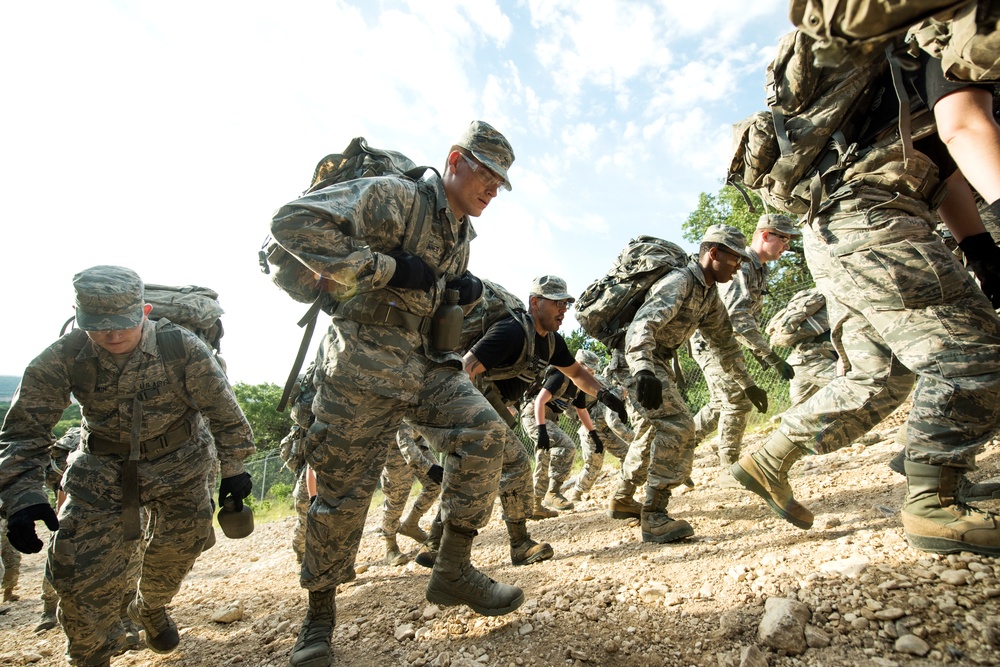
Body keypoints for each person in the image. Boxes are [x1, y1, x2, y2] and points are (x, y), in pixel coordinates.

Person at [731, 38, 1000, 557]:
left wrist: (979, 247)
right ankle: (933, 501)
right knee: (973, 351)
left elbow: (942, 166)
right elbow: (964, 127)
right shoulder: (963, 31)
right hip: (874, 218)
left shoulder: (916, 54)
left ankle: (770, 458)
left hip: (840, 223)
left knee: (877, 375)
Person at [271, 121, 525, 667]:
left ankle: (452, 568)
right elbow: (292, 222)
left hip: (424, 362)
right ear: (456, 160)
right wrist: (384, 268)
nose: (492, 189)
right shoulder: (397, 197)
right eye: (486, 174)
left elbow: (429, 296)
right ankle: (318, 621)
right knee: (342, 493)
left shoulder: (462, 233)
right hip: (361, 360)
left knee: (484, 432)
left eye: (500, 184)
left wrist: (457, 293)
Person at [0, 265, 255, 667]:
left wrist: (233, 469)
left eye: (121, 324)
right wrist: (23, 496)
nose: (112, 335)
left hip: (181, 462)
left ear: (145, 311)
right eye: (98, 327)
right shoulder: (63, 357)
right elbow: (23, 432)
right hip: (101, 467)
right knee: (75, 572)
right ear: (77, 315)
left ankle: (150, 606)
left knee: (179, 548)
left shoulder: (182, 347)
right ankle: (89, 657)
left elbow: (224, 413)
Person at [607, 225, 769, 543]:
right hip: (636, 362)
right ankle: (654, 516)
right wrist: (641, 372)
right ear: (713, 254)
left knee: (650, 432)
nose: (739, 266)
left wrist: (748, 384)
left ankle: (623, 498)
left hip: (655, 364)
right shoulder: (679, 281)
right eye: (734, 259)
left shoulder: (708, 294)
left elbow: (723, 344)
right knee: (679, 425)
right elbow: (642, 326)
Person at [690, 214, 800, 478]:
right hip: (711, 343)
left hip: (722, 342)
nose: (787, 246)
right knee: (737, 400)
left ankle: (675, 450)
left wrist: (756, 351)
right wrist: (770, 356)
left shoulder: (759, 269)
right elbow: (737, 318)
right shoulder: (745, 266)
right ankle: (730, 470)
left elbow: (743, 319)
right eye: (783, 238)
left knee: (720, 404)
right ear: (765, 235)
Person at [521, 357, 608, 512]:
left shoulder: (579, 385)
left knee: (544, 457)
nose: (592, 375)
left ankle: (535, 505)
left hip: (550, 419)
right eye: (590, 370)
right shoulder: (560, 376)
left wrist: (593, 434)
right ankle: (553, 492)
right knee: (567, 446)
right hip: (534, 415)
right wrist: (541, 429)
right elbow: (540, 401)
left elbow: (581, 410)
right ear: (580, 365)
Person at [562, 350, 634, 503]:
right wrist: (634, 439)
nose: (592, 371)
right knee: (593, 468)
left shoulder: (599, 381)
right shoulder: (571, 384)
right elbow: (612, 419)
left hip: (606, 430)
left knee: (627, 455)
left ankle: (624, 488)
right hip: (591, 432)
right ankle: (576, 493)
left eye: (594, 368)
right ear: (580, 365)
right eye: (589, 367)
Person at [380, 423, 443, 566]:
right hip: (395, 451)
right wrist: (427, 467)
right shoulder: (403, 401)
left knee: (436, 483)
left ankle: (411, 524)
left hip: (418, 444)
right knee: (396, 499)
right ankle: (391, 547)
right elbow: (404, 442)